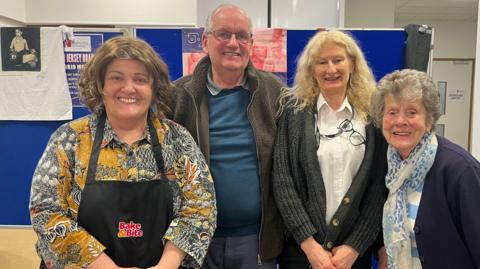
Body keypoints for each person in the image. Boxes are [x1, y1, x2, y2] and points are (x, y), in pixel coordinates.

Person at [29, 36, 216, 269]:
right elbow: (46, 212)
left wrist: (164, 266)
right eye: (117, 78)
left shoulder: (177, 140)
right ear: (100, 85)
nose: (129, 88)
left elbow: (201, 208)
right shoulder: (70, 140)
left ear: (153, 88)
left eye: (140, 79)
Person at [171, 4, 284, 269]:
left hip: (257, 240)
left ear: (251, 43)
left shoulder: (272, 92)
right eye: (223, 34)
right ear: (204, 40)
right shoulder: (178, 95)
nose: (233, 43)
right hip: (195, 239)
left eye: (242, 36)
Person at [272, 30, 388, 269]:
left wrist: (354, 246)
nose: (330, 69)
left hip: (352, 254)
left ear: (352, 63)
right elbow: (283, 181)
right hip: (301, 252)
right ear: (311, 69)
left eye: (337, 60)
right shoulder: (292, 113)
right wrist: (309, 245)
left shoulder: (372, 115)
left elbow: (378, 188)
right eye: (321, 62)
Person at [371, 69, 480, 269]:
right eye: (392, 112)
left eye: (412, 112)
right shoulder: (390, 169)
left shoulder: (459, 170)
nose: (400, 121)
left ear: (429, 120)